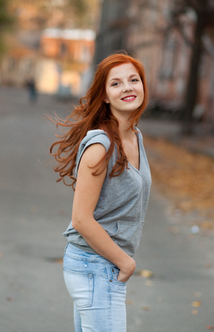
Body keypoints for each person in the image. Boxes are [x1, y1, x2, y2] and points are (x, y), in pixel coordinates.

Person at [49, 52, 152, 332]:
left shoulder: (134, 136)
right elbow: (81, 218)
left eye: (134, 80)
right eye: (116, 83)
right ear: (105, 95)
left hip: (100, 265)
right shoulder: (101, 145)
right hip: (95, 265)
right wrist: (125, 262)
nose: (128, 87)